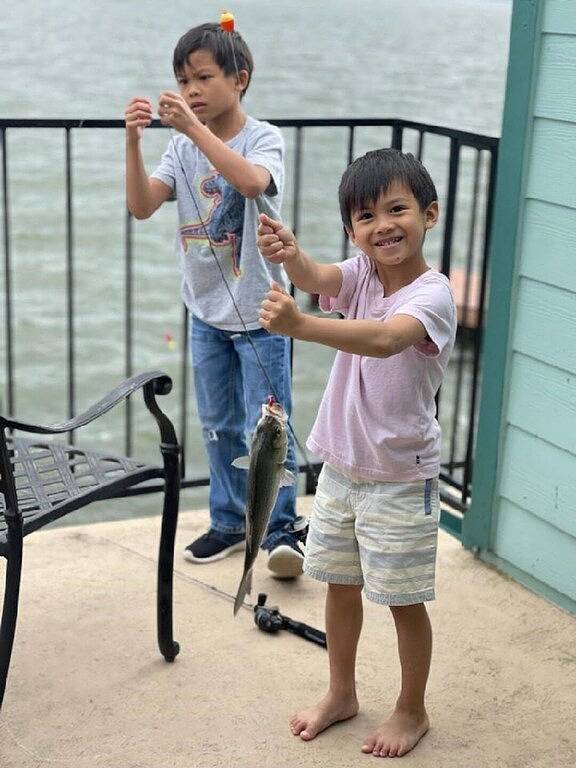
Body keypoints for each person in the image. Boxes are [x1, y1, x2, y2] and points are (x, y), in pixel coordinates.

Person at [257, 148, 457, 757]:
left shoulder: (433, 296)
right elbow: (320, 280)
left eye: (397, 210)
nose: (383, 226)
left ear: (429, 214)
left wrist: (301, 326)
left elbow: (385, 338)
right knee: (339, 585)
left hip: (401, 476)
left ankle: (412, 709)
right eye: (366, 217)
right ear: (353, 231)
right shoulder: (363, 273)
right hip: (341, 469)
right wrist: (292, 256)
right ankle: (341, 692)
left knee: (402, 599)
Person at [124, 22, 306, 576]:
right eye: (183, 80)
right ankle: (227, 521)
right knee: (218, 424)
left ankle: (280, 530)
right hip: (205, 312)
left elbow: (251, 183)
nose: (192, 90)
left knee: (268, 427)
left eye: (203, 78)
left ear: (239, 79)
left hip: (264, 314)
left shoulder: (264, 138)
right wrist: (133, 142)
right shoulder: (180, 146)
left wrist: (192, 128)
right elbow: (142, 205)